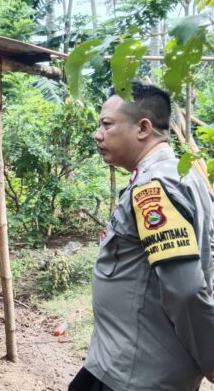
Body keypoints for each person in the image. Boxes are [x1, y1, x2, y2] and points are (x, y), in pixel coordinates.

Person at [68, 82, 214, 391]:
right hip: (124, 363)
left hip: (135, 374)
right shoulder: (183, 174)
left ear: (143, 128)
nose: (98, 134)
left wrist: (211, 359)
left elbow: (186, 291)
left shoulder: (155, 188)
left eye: (107, 124)